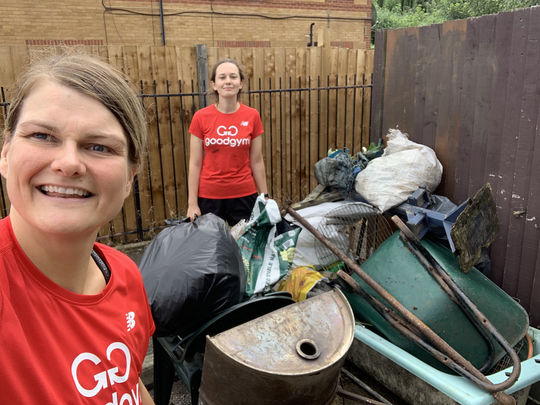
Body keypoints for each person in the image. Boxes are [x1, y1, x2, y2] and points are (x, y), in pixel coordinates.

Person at [0, 53, 155, 404]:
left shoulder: (125, 274)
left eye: (98, 146)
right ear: (6, 153)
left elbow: (128, 381)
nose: (69, 163)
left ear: (131, 176)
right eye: (42, 135)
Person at [187, 58, 269, 226]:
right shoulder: (200, 117)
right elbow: (195, 163)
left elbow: (257, 160)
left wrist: (265, 197)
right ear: (214, 84)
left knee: (245, 249)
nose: (228, 81)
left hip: (244, 194)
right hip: (209, 196)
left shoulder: (252, 116)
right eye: (222, 77)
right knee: (210, 249)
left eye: (233, 76)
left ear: (241, 83)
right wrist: (192, 204)